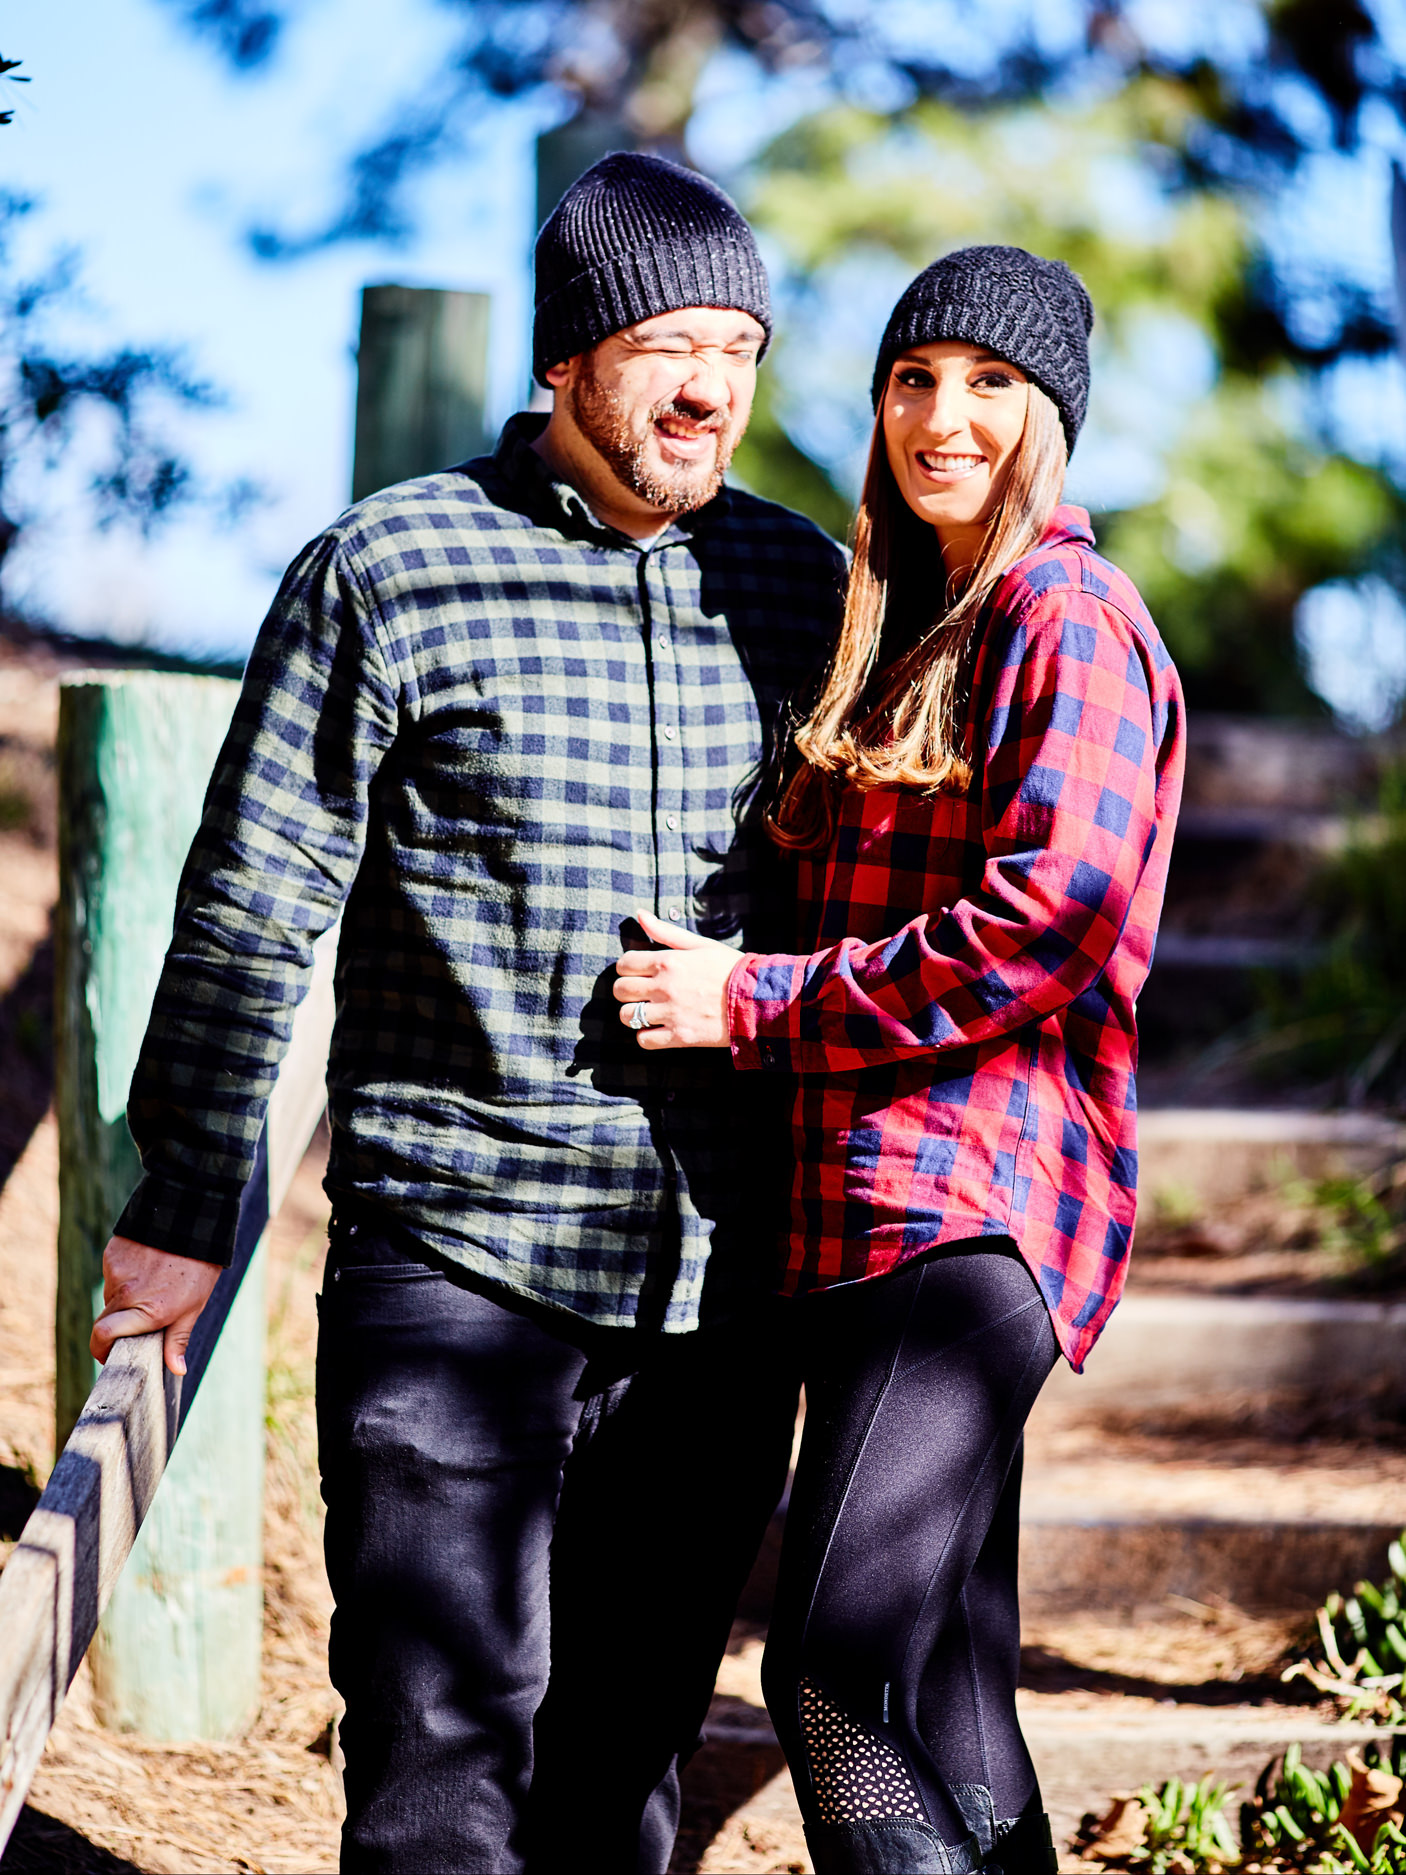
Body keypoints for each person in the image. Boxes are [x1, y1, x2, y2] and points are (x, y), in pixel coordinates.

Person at [88, 152, 846, 1874]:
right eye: (667, 337)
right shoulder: (388, 567)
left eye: (740, 342)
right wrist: (188, 1201)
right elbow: (256, 897)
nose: (709, 383)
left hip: (716, 1300)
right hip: (452, 1267)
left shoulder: (805, 589)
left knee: (623, 1783)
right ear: (568, 358)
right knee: (437, 1772)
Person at [612, 244, 1186, 1874]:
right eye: (912, 378)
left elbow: (1047, 914)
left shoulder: (1062, 612)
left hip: (967, 1211)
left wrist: (760, 1004)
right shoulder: (916, 620)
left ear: (1051, 420)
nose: (943, 416)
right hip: (863, 1211)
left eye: (991, 385)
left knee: (829, 1674)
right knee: (942, 1681)